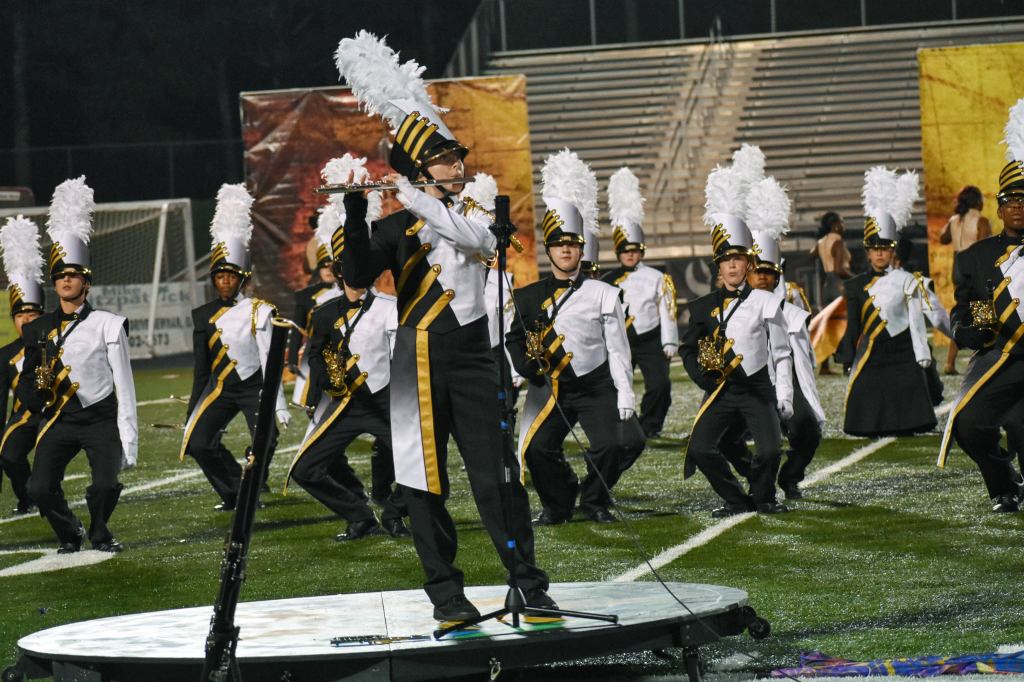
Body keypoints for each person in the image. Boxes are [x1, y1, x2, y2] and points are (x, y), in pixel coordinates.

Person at [335, 31, 553, 623]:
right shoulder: (392, 227)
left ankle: (529, 585)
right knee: (421, 482)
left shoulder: (476, 212)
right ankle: (447, 596)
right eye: (443, 159)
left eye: (457, 158)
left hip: (474, 358)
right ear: (418, 166)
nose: (457, 166)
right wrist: (354, 212)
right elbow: (355, 274)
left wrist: (413, 194)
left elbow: (477, 241)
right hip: (415, 361)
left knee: (498, 478)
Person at [507, 150, 640, 526]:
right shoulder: (528, 296)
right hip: (550, 387)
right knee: (536, 449)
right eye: (558, 244)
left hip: (596, 386)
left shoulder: (605, 293)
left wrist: (625, 394)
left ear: (581, 249)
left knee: (612, 445)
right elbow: (514, 339)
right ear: (548, 250)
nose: (565, 249)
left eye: (572, 244)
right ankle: (558, 503)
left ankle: (594, 500)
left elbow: (618, 349)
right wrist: (527, 368)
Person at [20, 177, 137, 553]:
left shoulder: (108, 323)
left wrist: (129, 438)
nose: (65, 281)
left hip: (100, 418)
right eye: (59, 276)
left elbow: (125, 385)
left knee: (105, 484)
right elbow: (26, 381)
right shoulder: (38, 328)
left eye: (72, 275)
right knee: (38, 488)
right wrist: (38, 396)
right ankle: (70, 532)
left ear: (86, 283)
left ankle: (101, 531)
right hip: (59, 419)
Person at [284, 211, 409, 541]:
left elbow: (401, 359)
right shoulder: (324, 313)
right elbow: (315, 356)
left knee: (421, 460)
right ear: (338, 272)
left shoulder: (391, 307)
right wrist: (327, 383)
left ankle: (395, 513)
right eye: (347, 266)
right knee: (304, 469)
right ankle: (359, 516)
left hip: (385, 402)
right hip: (343, 405)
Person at [680, 162, 793, 516]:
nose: (732, 266)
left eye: (738, 259)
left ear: (748, 263)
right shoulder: (702, 307)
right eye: (726, 260)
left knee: (770, 451)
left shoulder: (766, 301)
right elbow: (688, 348)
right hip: (720, 390)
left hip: (757, 389)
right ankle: (736, 500)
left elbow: (782, 353)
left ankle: (764, 497)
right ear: (718, 265)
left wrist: (785, 394)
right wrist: (703, 376)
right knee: (700, 449)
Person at [180, 183, 289, 511]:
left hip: (255, 388)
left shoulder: (259, 310)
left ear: (242, 278)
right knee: (198, 443)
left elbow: (270, 360)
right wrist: (192, 410)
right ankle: (234, 492)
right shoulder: (202, 315)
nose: (225, 281)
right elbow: (202, 368)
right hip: (222, 389)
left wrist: (278, 404)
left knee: (266, 440)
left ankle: (253, 487)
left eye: (231, 276)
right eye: (220, 276)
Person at [938, 99, 1024, 513]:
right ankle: (1003, 484)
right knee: (969, 424)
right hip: (999, 358)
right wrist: (966, 329)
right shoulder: (975, 256)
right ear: (999, 206)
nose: (1019, 205)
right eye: (1011, 199)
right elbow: (967, 307)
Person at [837, 167, 935, 438]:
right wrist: (847, 356)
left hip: (902, 350)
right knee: (865, 394)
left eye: (885, 248)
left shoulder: (906, 279)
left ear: (892, 251)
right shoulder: (855, 285)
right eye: (874, 249)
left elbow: (916, 319)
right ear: (867, 252)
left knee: (907, 396)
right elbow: (854, 325)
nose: (880, 254)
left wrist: (922, 353)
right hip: (873, 351)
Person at [600, 167, 679, 439]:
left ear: (641, 251)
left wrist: (669, 341)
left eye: (634, 250)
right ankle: (619, 427)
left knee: (659, 384)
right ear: (618, 253)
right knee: (614, 385)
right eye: (625, 251)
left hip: (650, 339)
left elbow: (667, 311)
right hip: (620, 339)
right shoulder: (607, 280)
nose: (630, 255)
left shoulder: (657, 277)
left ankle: (650, 425)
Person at [0, 216, 45, 515]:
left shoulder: (59, 341)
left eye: (32, 314)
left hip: (62, 413)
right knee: (9, 454)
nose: (26, 320)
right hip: (26, 417)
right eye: (20, 315)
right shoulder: (5, 355)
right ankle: (27, 497)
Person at [939, 185, 992, 375]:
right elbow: (985, 248)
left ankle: (949, 362)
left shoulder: (953, 220)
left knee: (961, 313)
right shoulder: (981, 220)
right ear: (977, 201)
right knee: (983, 311)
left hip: (958, 268)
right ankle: (987, 358)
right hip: (975, 268)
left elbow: (943, 238)